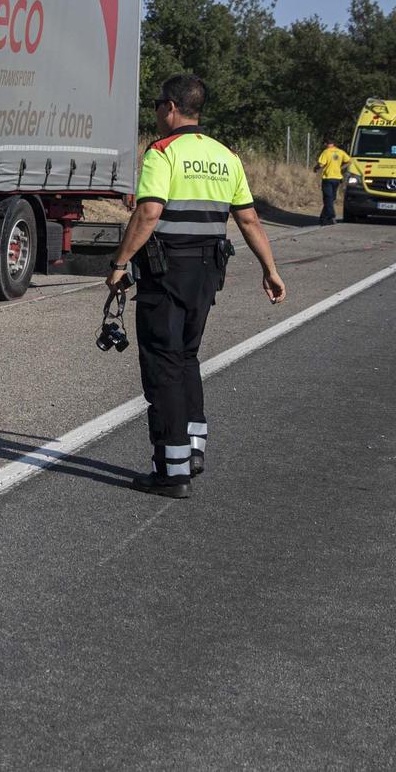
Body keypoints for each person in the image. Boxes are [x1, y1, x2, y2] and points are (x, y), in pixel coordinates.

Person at [106, 74, 286, 498]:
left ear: (170, 107)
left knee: (163, 364)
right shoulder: (226, 156)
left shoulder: (162, 152)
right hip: (207, 272)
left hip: (166, 271)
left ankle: (172, 471)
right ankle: (194, 448)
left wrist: (120, 262)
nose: (155, 112)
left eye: (156, 104)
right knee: (187, 357)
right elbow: (248, 219)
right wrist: (270, 268)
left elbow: (149, 213)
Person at [313, 136, 353, 226]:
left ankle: (331, 216)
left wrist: (315, 168)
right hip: (337, 178)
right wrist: (341, 168)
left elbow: (321, 164)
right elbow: (350, 161)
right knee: (331, 199)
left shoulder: (326, 152)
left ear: (327, 144)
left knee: (328, 198)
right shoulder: (340, 152)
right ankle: (323, 219)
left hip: (328, 178)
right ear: (333, 144)